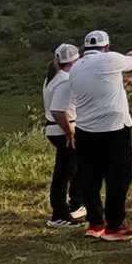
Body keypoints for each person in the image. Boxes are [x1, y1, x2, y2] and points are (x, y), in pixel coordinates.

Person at [67, 30, 132, 241]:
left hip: (85, 131)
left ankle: (96, 223)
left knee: (90, 178)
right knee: (118, 178)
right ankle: (115, 225)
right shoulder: (111, 59)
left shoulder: (76, 69)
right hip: (113, 129)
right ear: (106, 47)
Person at [43, 43, 84, 227]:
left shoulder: (53, 77)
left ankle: (74, 205)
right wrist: (69, 132)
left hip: (55, 128)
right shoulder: (66, 81)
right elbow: (59, 111)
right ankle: (59, 214)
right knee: (64, 173)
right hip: (63, 129)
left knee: (71, 169)